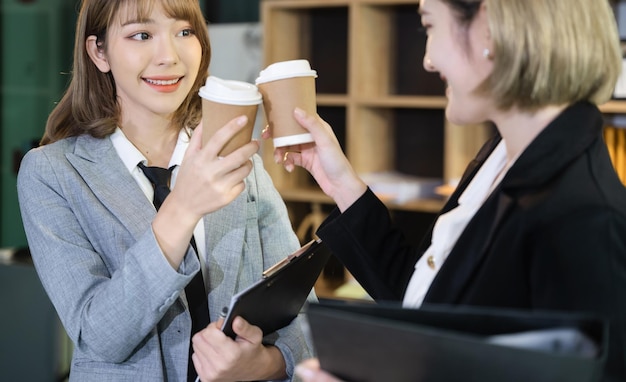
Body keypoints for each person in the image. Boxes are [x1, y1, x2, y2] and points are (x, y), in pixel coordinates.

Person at [265, 0, 626, 381]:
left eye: (430, 26)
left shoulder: (587, 222)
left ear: (488, 28)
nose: (427, 60)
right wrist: (340, 183)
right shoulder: (502, 156)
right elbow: (428, 304)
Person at [16, 0, 313, 381]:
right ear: (99, 52)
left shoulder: (240, 163)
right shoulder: (52, 173)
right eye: (141, 35)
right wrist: (183, 208)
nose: (169, 56)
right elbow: (99, 336)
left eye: (184, 32)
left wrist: (266, 364)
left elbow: (303, 314)